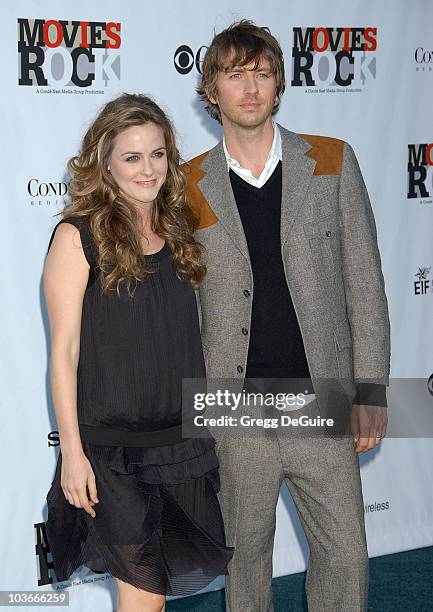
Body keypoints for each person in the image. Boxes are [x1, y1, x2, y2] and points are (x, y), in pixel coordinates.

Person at [182, 20, 391, 612]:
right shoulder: (185, 184)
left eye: (263, 73)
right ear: (212, 90)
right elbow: (182, 305)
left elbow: (365, 286)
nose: (250, 87)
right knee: (245, 564)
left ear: (279, 85)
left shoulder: (331, 161)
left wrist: (370, 387)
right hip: (232, 407)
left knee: (346, 556)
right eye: (235, 74)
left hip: (320, 401)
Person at [44, 93, 233, 612]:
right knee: (144, 598)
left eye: (157, 154)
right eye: (131, 157)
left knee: (153, 598)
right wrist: (73, 454)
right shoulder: (77, 235)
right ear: (104, 164)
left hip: (179, 443)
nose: (147, 169)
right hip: (113, 452)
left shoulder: (179, 229)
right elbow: (64, 351)